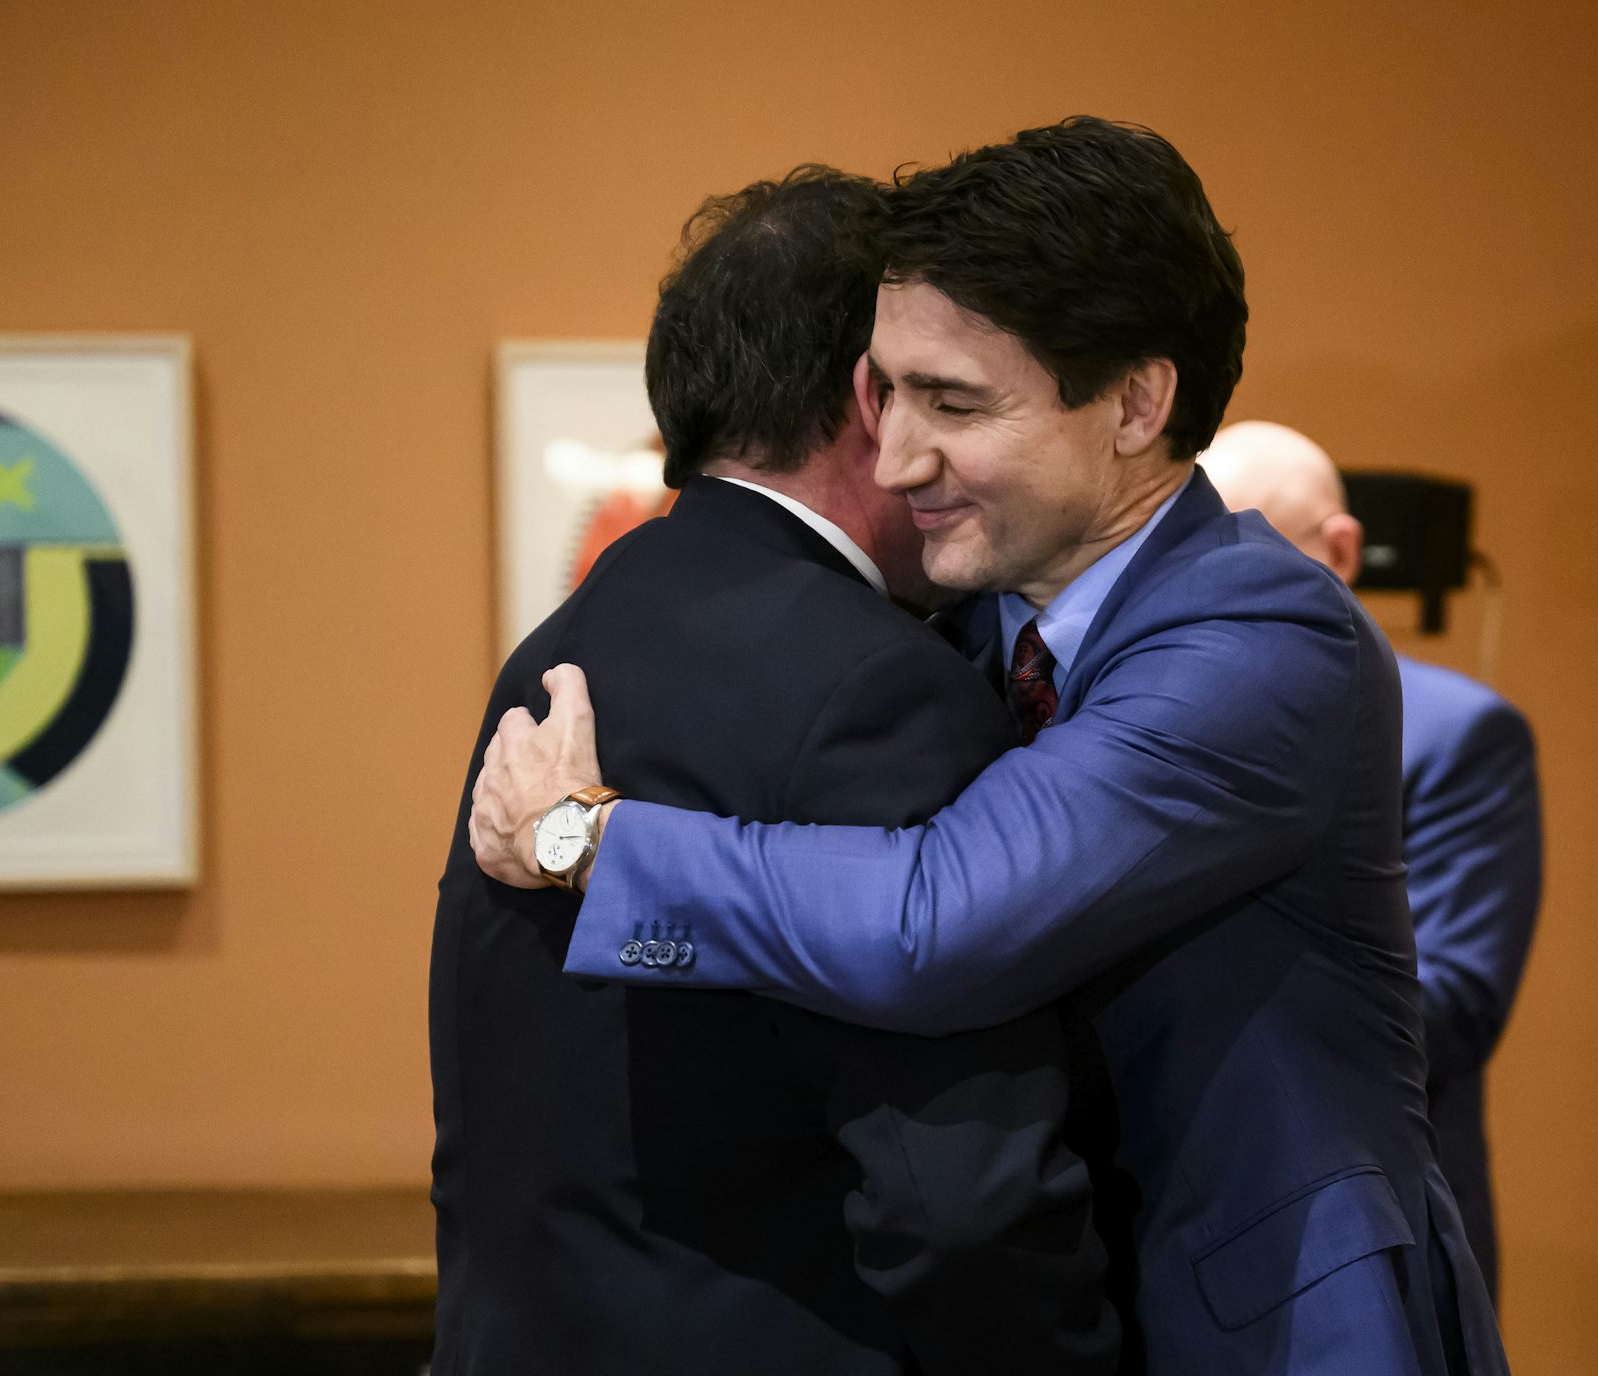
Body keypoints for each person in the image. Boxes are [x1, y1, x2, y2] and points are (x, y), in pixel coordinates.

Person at [471, 119, 1508, 1374]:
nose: (899, 458)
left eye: (954, 403)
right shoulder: (960, 626)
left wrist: (587, 834)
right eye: (886, 392)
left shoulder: (1266, 631)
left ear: (1137, 402)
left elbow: (941, 915)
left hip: (1282, 1332)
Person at [430, 166, 1117, 1376]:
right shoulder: (881, 687)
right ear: (875, 396)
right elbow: (957, 1202)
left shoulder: (562, 645)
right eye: (943, 391)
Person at [1201, 420, 1545, 1300]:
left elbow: (1456, 1000)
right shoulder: (1164, 713)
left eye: (1247, 555)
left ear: (1342, 550)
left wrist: (1195, 1037)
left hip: (1374, 1218)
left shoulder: (1455, 732)